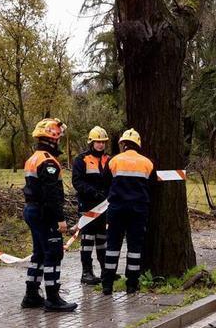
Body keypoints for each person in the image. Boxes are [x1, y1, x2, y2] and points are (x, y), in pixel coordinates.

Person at [20, 118, 77, 312]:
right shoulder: (48, 161)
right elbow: (51, 194)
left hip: (32, 210)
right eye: (59, 138)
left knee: (39, 254)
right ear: (53, 139)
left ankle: (31, 295)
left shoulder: (33, 158)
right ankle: (53, 298)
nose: (60, 141)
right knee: (53, 253)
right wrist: (59, 219)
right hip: (45, 213)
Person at [101, 128, 154, 295]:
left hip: (116, 209)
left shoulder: (113, 161)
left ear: (123, 144)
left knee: (112, 247)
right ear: (138, 145)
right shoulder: (147, 163)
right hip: (138, 211)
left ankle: (107, 285)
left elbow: (105, 183)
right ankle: (132, 284)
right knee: (134, 248)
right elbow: (152, 186)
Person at [71, 126, 111, 285]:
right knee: (87, 239)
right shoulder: (82, 159)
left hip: (105, 205)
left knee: (102, 238)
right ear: (91, 142)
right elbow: (77, 181)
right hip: (88, 204)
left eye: (103, 142)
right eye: (97, 142)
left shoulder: (109, 159)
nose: (100, 145)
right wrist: (92, 192)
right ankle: (86, 273)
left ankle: (105, 271)